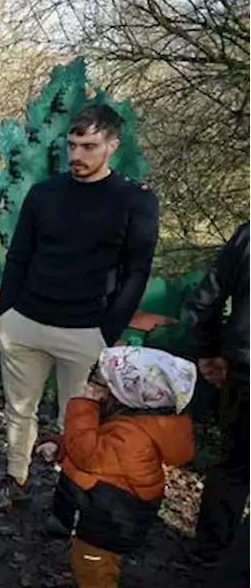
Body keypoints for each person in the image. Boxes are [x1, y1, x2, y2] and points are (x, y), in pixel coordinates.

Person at [0, 104, 161, 507]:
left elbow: (137, 272)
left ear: (112, 146)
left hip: (86, 331)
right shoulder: (44, 194)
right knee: (19, 410)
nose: (76, 156)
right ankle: (14, 481)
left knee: (81, 426)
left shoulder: (136, 202)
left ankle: (67, 504)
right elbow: (19, 255)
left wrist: (106, 332)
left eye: (89, 146)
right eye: (71, 145)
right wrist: (6, 315)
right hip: (25, 323)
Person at [49, 346, 196, 587]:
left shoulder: (132, 436)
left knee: (94, 569)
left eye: (104, 383)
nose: (95, 386)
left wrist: (85, 405)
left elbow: (87, 454)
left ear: (128, 393)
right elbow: (98, 451)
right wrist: (60, 447)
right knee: (94, 564)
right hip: (105, 513)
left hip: (107, 523)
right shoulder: (136, 423)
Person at [189, 221, 251, 568]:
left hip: (243, 370)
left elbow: (205, 299)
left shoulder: (247, 235)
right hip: (242, 367)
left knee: (232, 467)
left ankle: (209, 555)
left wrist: (209, 349)